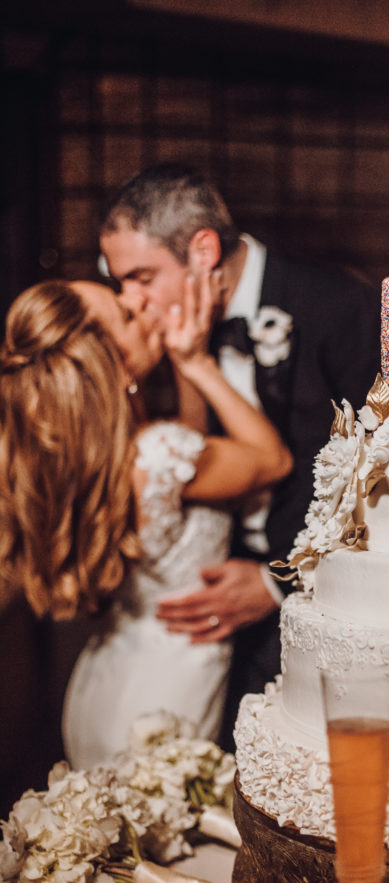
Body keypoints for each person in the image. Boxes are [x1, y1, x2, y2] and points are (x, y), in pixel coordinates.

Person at [99, 163, 381, 750]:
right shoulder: (150, 345)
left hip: (318, 607)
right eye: (120, 281)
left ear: (203, 250)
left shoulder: (336, 304)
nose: (130, 298)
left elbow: (384, 471)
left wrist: (280, 580)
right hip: (205, 623)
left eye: (141, 276)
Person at [0, 277, 292, 769]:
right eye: (127, 314)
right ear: (114, 369)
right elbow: (271, 460)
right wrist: (197, 363)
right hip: (168, 694)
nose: (138, 300)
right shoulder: (160, 454)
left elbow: (192, 454)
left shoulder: (85, 456)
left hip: (107, 680)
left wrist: (180, 363)